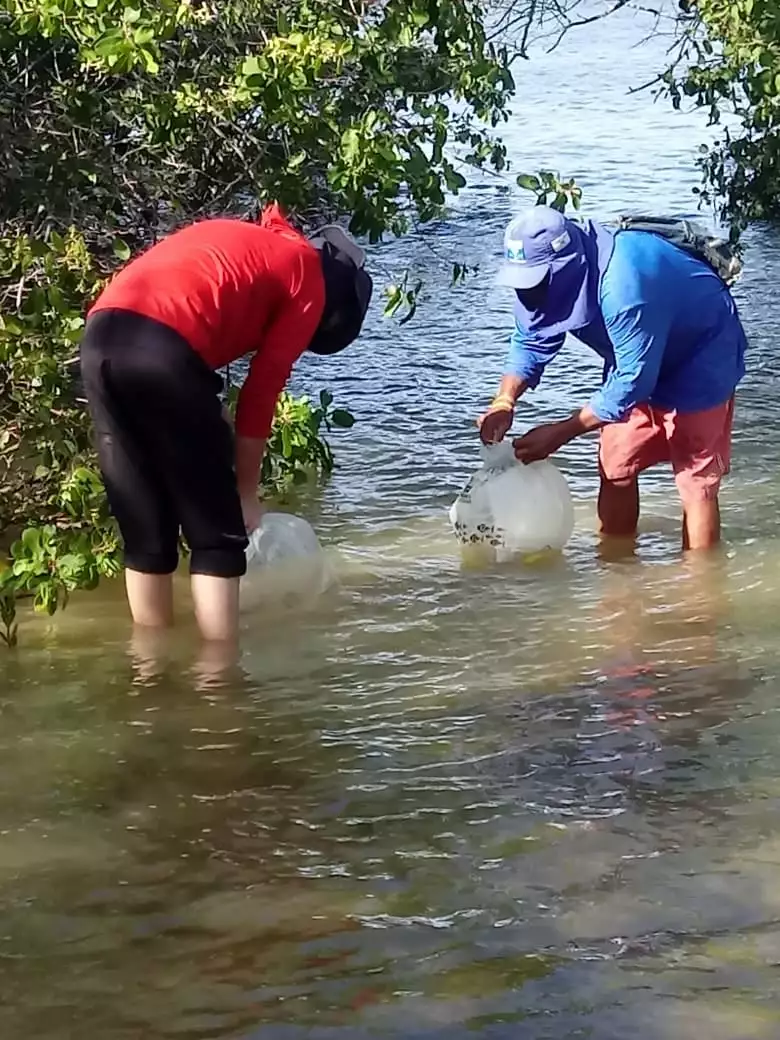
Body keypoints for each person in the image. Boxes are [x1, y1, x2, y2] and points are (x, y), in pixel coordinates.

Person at [80, 203, 372, 643]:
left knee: (147, 535)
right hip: (161, 350)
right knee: (217, 537)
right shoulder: (306, 278)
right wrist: (246, 495)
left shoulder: (251, 242)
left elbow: (187, 321)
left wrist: (209, 413)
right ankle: (219, 685)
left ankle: (151, 677)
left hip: (100, 340)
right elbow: (260, 394)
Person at [479, 205, 747, 551]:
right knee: (616, 465)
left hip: (701, 355)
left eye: (536, 283)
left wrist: (561, 433)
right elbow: (530, 337)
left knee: (695, 484)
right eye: (523, 284)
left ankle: (698, 593)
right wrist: (504, 400)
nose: (529, 294)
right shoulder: (541, 289)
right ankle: (616, 569)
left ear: (566, 266)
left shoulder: (623, 286)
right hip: (634, 354)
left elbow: (633, 383)